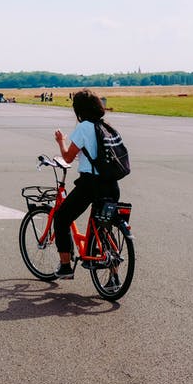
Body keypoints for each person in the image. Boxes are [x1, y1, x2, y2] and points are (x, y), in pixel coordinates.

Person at [51, 89, 122, 280]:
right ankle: (114, 277)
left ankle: (65, 267)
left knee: (62, 217)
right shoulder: (107, 127)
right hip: (112, 184)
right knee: (104, 227)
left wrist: (61, 142)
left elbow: (67, 157)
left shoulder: (84, 128)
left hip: (90, 184)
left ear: (79, 110)